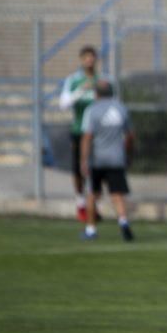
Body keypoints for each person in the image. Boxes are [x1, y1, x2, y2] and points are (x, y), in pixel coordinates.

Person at [79, 79, 134, 242]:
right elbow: (130, 136)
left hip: (97, 159)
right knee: (117, 194)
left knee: (92, 195)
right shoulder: (121, 109)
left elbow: (87, 136)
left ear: (96, 94)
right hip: (117, 157)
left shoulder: (92, 110)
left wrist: (83, 159)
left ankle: (91, 229)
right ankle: (123, 222)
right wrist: (128, 154)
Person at [59, 45, 99, 222]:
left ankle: (93, 205)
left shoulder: (103, 79)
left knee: (97, 170)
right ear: (81, 60)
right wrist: (81, 90)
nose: (89, 60)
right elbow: (63, 104)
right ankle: (81, 203)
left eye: (92, 57)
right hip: (79, 131)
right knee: (78, 169)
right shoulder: (74, 80)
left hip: (99, 133)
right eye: (86, 57)